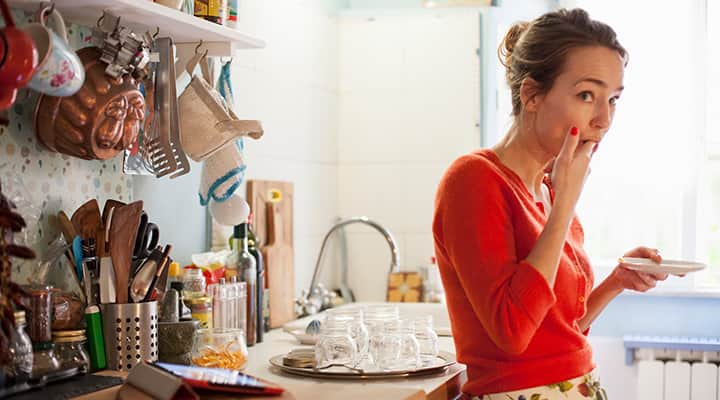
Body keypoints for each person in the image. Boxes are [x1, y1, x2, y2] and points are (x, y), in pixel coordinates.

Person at [432, 8, 670, 400]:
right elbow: (512, 333)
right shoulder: (473, 180)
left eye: (613, 99)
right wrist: (563, 208)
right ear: (532, 95)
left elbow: (560, 332)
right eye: (586, 95)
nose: (604, 119)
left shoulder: (550, 189)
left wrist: (616, 283)